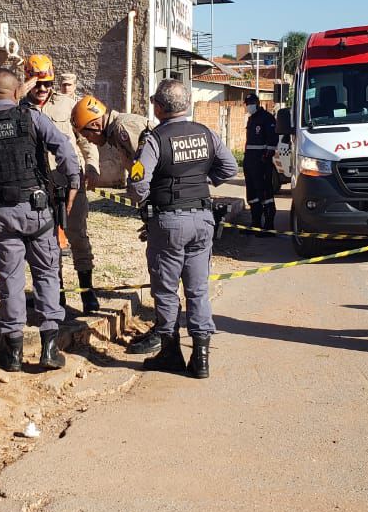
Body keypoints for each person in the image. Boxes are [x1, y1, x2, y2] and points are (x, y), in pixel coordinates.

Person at [0, 67, 82, 373]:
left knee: (10, 280)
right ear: (16, 92)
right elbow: (64, 149)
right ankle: (49, 347)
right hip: (38, 213)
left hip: (0, 217)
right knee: (47, 274)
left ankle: (12, 353)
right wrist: (73, 182)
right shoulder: (32, 118)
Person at [128, 79, 237, 378]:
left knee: (165, 290)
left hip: (168, 223)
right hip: (202, 220)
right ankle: (201, 359)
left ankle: (171, 354)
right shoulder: (206, 134)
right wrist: (199, 184)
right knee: (198, 290)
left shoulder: (154, 139)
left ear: (159, 107)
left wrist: (147, 197)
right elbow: (230, 168)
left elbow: (138, 183)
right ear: (187, 105)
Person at [71, 94, 165, 354]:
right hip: (158, 204)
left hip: (164, 203)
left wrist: (148, 204)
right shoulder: (118, 130)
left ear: (95, 125)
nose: (88, 140)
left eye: (86, 134)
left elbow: (144, 168)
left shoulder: (124, 129)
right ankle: (165, 328)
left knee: (162, 271)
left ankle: (164, 332)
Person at [19, 54, 101, 314]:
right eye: (36, 84)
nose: (42, 90)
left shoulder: (67, 105)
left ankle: (87, 293)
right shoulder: (18, 109)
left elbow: (86, 138)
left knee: (77, 235)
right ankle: (58, 295)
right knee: (46, 242)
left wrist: (92, 165)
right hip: (38, 186)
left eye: (47, 84)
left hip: (69, 183)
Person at [242, 92, 279, 234]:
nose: (249, 106)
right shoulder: (252, 119)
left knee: (264, 193)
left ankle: (269, 225)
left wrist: (266, 157)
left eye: (251, 103)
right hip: (250, 161)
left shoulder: (267, 118)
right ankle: (255, 223)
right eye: (247, 104)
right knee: (252, 194)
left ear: (257, 103)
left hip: (261, 163)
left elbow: (272, 141)